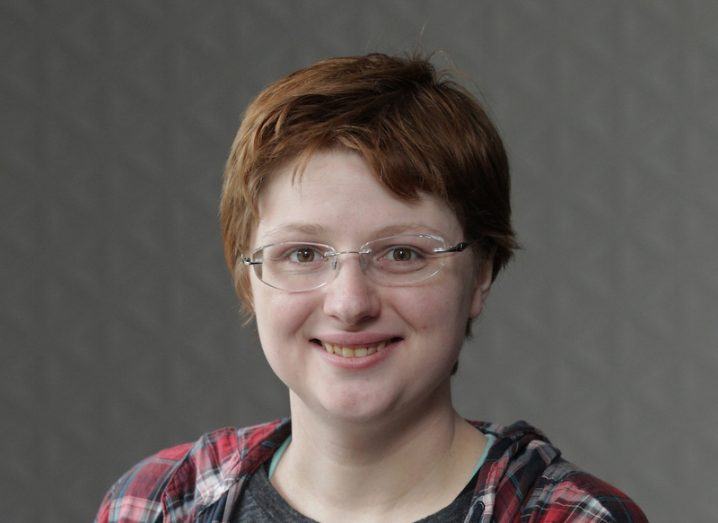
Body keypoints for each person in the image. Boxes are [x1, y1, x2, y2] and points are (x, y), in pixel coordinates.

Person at [96, 53, 647, 522]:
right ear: (249, 277)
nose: (350, 303)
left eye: (403, 253)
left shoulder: (572, 518)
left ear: (481, 273)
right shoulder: (158, 504)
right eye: (304, 254)